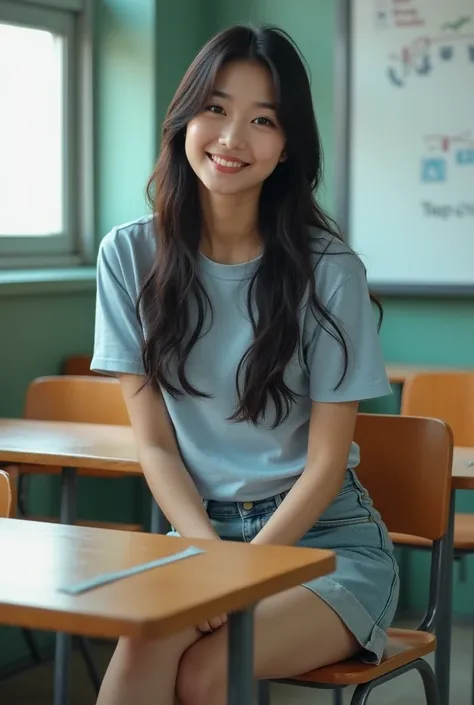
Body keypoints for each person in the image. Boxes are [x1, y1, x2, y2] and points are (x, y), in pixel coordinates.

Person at [91, 23, 399, 705]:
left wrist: (237, 569)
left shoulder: (330, 271)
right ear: (184, 119)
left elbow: (325, 465)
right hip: (198, 530)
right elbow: (155, 443)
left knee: (207, 675)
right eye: (216, 109)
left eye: (263, 120)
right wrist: (207, 555)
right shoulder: (127, 256)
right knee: (145, 640)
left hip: (324, 541)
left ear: (288, 146)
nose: (232, 139)